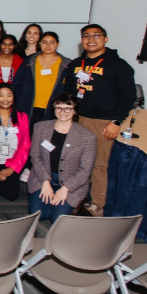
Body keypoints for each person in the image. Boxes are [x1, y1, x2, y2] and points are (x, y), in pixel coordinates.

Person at [62, 24, 136, 216]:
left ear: (105, 39)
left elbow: (128, 96)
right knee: (74, 161)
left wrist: (116, 121)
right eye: (86, 36)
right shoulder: (75, 64)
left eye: (96, 35)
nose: (91, 39)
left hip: (102, 122)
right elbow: (68, 92)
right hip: (76, 119)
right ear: (82, 40)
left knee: (97, 165)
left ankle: (97, 204)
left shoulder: (118, 65)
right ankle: (76, 198)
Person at [27, 94, 97, 223]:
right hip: (44, 177)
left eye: (67, 108)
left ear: (74, 110)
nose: (62, 112)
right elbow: (35, 157)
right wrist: (45, 182)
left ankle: (79, 204)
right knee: (39, 214)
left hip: (70, 182)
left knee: (57, 218)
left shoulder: (87, 136)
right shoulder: (40, 127)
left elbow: (85, 171)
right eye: (58, 108)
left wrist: (66, 189)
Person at [12, 32, 71, 127]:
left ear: (57, 44)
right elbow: (17, 84)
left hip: (53, 110)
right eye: (44, 42)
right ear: (39, 44)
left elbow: (69, 88)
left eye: (52, 42)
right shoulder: (29, 61)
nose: (48, 45)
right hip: (29, 107)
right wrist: (18, 104)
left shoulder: (66, 64)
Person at [0, 83, 31, 201]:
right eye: (1, 95)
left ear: (14, 97)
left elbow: (25, 146)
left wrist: (13, 168)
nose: (5, 99)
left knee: (12, 195)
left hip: (11, 162)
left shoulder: (22, 116)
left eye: (9, 95)